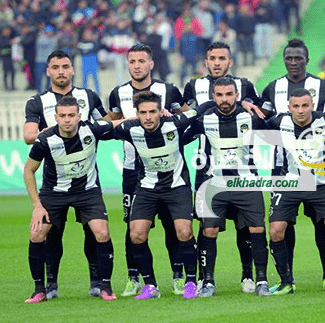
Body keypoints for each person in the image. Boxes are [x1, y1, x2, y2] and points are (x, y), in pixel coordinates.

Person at [23, 50, 109, 299]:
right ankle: (50, 284)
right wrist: (55, 130)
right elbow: (28, 136)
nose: (61, 71)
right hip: (55, 181)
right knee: (52, 233)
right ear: (48, 71)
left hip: (87, 178)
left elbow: (105, 124)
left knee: (94, 231)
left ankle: (96, 281)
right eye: (55, 67)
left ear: (73, 69)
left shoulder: (88, 96)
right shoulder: (37, 101)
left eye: (65, 66)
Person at [182, 41, 263, 294]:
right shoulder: (193, 86)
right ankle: (204, 280)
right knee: (208, 227)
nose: (217, 62)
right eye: (213, 58)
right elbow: (188, 117)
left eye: (222, 58)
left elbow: (260, 113)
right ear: (206, 62)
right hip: (207, 172)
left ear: (230, 61)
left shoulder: (246, 85)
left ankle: (249, 276)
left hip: (243, 173)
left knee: (246, 227)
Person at [261, 38, 325, 291]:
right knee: (282, 225)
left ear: (307, 59)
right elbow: (261, 121)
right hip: (282, 169)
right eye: (289, 58)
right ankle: (287, 278)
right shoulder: (272, 88)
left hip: (318, 170)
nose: (293, 62)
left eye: (298, 58)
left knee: (324, 224)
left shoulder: (324, 87)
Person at [108, 44, 185, 297]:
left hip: (168, 170)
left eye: (142, 60)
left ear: (151, 63)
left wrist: (170, 116)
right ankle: (134, 277)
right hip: (133, 171)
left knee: (173, 226)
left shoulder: (169, 90)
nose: (137, 65)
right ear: (128, 65)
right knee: (134, 227)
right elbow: (108, 123)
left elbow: (183, 118)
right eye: (132, 61)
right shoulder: (117, 93)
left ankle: (178, 277)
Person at [112, 91, 199, 300]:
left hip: (177, 186)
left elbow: (200, 111)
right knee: (136, 234)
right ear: (137, 114)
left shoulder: (175, 123)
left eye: (153, 111)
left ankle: (191, 282)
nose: (148, 117)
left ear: (161, 111)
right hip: (147, 188)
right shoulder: (129, 129)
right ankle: (150, 286)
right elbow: (99, 129)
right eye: (143, 113)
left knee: (184, 232)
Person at [266, 88, 325, 295]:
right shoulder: (277, 122)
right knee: (275, 231)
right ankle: (286, 282)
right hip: (289, 184)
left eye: (305, 106)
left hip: (320, 183)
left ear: (312, 105)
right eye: (296, 106)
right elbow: (254, 125)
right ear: (289, 108)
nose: (301, 111)